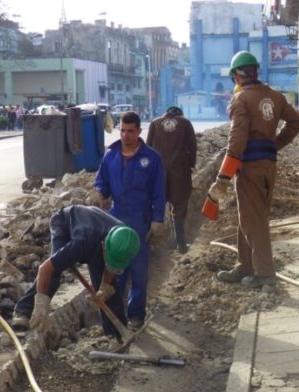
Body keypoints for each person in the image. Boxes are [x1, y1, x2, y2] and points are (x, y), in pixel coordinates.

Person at [208, 51, 299, 289]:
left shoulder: (240, 100)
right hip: (268, 166)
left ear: (235, 77)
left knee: (254, 221)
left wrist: (223, 177)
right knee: (248, 217)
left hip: (249, 167)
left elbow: (236, 141)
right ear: (255, 72)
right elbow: (296, 122)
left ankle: (264, 273)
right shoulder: (275, 96)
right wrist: (274, 144)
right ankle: (245, 265)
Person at [12, 205, 140, 337]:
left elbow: (112, 265)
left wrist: (105, 286)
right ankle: (23, 310)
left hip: (95, 231)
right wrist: (40, 305)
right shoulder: (82, 243)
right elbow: (45, 269)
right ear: (103, 247)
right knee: (54, 274)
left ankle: (116, 334)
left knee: (110, 289)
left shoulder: (125, 239)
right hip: (64, 223)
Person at [94, 111, 166, 329]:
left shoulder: (151, 159)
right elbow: (102, 182)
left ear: (139, 131)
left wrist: (158, 219)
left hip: (140, 220)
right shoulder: (111, 155)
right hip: (115, 221)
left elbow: (159, 191)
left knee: (138, 270)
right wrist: (98, 193)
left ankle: (136, 315)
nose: (125, 135)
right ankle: (116, 317)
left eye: (130, 131)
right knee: (115, 270)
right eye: (122, 130)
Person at [146, 106, 197, 254]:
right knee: (179, 207)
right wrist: (191, 165)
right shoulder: (186, 123)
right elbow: (192, 147)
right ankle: (180, 243)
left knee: (157, 206)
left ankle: (151, 245)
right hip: (180, 172)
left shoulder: (155, 123)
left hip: (159, 172)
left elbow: (148, 148)